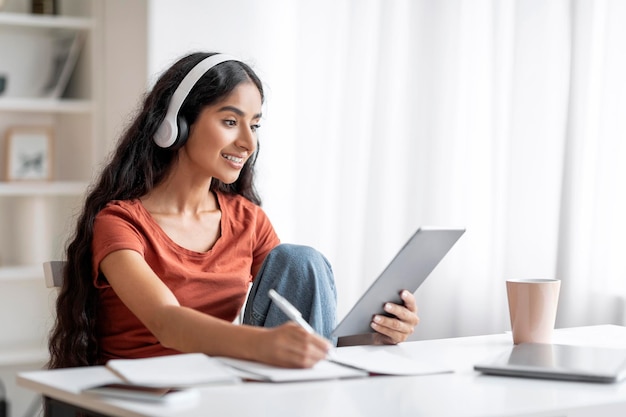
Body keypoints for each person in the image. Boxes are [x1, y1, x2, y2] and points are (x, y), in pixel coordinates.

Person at [47, 52, 420, 371]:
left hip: (224, 387)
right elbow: (165, 322)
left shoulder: (247, 220)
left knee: (300, 260)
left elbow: (306, 321)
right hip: (149, 398)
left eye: (254, 125)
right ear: (176, 126)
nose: (248, 142)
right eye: (230, 122)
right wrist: (261, 344)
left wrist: (373, 335)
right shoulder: (120, 222)